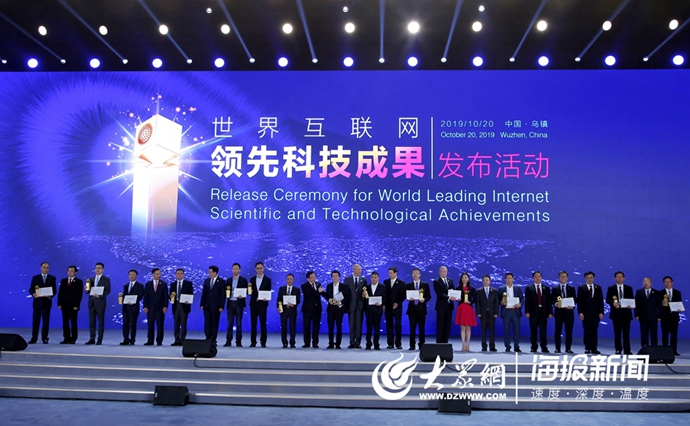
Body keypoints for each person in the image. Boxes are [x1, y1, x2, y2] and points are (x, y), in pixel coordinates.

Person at [29, 262, 57, 344]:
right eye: (44, 267)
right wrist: (33, 294)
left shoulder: (52, 278)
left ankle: (45, 338)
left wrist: (50, 296)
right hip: (37, 302)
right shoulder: (35, 277)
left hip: (47, 302)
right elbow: (31, 289)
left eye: (47, 267)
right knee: (36, 321)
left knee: (46, 321)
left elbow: (54, 290)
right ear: (41, 268)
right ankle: (34, 338)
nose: (46, 269)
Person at [606, 271, 634, 355]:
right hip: (616, 314)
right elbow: (607, 299)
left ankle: (627, 350)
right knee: (617, 333)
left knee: (626, 333)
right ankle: (618, 349)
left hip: (626, 314)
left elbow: (632, 299)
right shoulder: (611, 288)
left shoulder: (629, 288)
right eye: (617, 277)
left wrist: (630, 305)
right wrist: (613, 303)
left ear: (624, 278)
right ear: (615, 278)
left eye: (621, 276)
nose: (619, 278)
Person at [577, 271, 604, 354]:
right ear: (585, 278)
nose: (589, 279)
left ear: (593, 278)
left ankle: (594, 348)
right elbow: (579, 301)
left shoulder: (598, 288)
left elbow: (600, 301)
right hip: (586, 314)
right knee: (587, 331)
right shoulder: (581, 288)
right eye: (588, 278)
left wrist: (601, 312)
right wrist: (580, 312)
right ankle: (587, 348)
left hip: (596, 314)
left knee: (594, 331)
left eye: (591, 277)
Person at [525, 271, 552, 353]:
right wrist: (527, 311)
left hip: (543, 312)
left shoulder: (546, 288)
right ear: (533, 278)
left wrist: (550, 312)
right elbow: (527, 301)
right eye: (536, 277)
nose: (537, 278)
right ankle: (534, 347)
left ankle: (544, 347)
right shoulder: (529, 288)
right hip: (533, 312)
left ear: (541, 277)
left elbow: (549, 301)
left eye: (539, 276)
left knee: (543, 331)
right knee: (533, 330)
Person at [323, 270, 350, 349]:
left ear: (339, 277)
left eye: (336, 276)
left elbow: (347, 297)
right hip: (331, 308)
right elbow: (327, 296)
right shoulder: (329, 286)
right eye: (333, 276)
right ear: (331, 277)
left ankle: (338, 344)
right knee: (330, 327)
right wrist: (329, 300)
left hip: (339, 309)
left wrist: (340, 302)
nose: (335, 277)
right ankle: (331, 343)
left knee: (339, 326)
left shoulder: (343, 286)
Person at [405, 268, 431, 351]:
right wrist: (408, 298)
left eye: (417, 273)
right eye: (413, 273)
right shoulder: (408, 285)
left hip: (421, 309)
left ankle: (422, 345)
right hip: (412, 310)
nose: (415, 275)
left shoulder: (425, 285)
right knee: (412, 328)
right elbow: (405, 295)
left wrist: (424, 299)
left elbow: (429, 296)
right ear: (412, 275)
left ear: (420, 275)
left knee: (421, 328)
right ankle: (412, 345)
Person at [86, 262, 111, 345]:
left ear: (103, 269)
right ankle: (92, 338)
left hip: (100, 303)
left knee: (100, 322)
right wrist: (86, 289)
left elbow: (108, 290)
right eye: (96, 268)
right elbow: (88, 291)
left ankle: (99, 339)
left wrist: (100, 296)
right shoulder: (90, 279)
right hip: (91, 303)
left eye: (99, 268)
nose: (97, 269)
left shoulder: (106, 279)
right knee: (91, 322)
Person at [57, 265, 83, 344]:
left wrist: (77, 305)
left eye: (72, 271)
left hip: (73, 306)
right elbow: (60, 293)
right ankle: (66, 338)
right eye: (69, 271)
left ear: (75, 272)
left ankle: (74, 338)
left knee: (73, 322)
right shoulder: (63, 281)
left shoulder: (79, 282)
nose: (70, 272)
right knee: (65, 322)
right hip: (64, 305)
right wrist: (59, 303)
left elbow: (79, 295)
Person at [225, 263, 248, 347]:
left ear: (239, 270)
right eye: (234, 269)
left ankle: (238, 341)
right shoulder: (228, 280)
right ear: (232, 270)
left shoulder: (243, 280)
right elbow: (225, 292)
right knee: (229, 324)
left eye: (236, 269)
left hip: (239, 303)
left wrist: (243, 295)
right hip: (230, 303)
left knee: (239, 323)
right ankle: (228, 341)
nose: (235, 270)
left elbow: (247, 291)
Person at [552, 271, 575, 354]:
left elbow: (574, 299)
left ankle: (568, 348)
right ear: (558, 278)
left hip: (569, 313)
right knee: (558, 330)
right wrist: (555, 304)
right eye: (561, 276)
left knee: (569, 331)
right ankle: (557, 348)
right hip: (559, 313)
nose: (563, 278)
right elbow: (552, 299)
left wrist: (573, 306)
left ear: (567, 278)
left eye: (564, 276)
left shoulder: (571, 288)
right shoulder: (555, 289)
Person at [143, 268, 168, 346]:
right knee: (150, 325)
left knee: (160, 325)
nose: (159, 275)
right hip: (150, 308)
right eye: (157, 274)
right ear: (153, 275)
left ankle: (159, 341)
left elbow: (165, 296)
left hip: (160, 308)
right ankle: (150, 340)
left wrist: (165, 306)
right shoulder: (148, 284)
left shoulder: (163, 284)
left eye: (159, 274)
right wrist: (145, 306)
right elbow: (146, 296)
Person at [499, 272, 523, 353]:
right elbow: (498, 300)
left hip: (515, 311)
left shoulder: (517, 288)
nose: (509, 280)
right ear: (505, 279)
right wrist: (501, 302)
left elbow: (522, 299)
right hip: (506, 311)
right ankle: (507, 346)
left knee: (517, 330)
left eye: (510, 278)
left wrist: (520, 304)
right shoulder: (501, 288)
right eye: (507, 278)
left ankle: (516, 346)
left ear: (513, 279)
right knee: (506, 330)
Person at [200, 265, 225, 344]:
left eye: (210, 272)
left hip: (216, 306)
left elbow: (222, 295)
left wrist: (221, 306)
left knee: (214, 322)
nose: (209, 274)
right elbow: (204, 293)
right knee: (207, 322)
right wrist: (202, 304)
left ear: (215, 272)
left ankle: (213, 339)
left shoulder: (221, 281)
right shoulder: (207, 281)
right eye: (209, 272)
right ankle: (207, 337)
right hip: (206, 305)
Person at [249, 261, 272, 347]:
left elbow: (268, 291)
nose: (259, 270)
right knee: (253, 323)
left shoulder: (268, 280)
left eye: (261, 268)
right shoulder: (252, 279)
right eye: (258, 268)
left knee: (263, 323)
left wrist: (266, 298)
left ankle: (263, 342)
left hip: (263, 304)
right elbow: (250, 292)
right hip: (253, 304)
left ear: (264, 268)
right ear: (255, 269)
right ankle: (253, 342)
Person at [344, 263, 366, 349]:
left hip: (360, 306)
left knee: (359, 324)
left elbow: (365, 291)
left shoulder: (363, 280)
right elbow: (345, 293)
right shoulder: (347, 279)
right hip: (351, 305)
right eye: (358, 269)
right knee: (351, 324)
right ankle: (352, 342)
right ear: (354, 270)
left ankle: (358, 342)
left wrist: (364, 295)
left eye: (361, 269)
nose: (360, 271)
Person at [170, 268, 194, 346]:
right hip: (176, 305)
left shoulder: (188, 283)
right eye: (178, 273)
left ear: (183, 274)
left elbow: (191, 294)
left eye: (181, 273)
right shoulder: (173, 284)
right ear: (175, 275)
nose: (179, 275)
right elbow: (170, 295)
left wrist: (188, 301)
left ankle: (183, 340)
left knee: (183, 324)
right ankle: (177, 340)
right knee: (176, 324)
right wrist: (170, 297)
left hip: (184, 305)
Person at [475, 274, 498, 352]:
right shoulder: (479, 291)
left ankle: (492, 346)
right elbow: (477, 303)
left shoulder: (494, 291)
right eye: (484, 280)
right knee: (483, 331)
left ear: (490, 281)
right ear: (482, 282)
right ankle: (484, 346)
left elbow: (496, 303)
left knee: (492, 331)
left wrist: (496, 313)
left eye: (487, 280)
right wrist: (478, 312)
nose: (485, 282)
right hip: (483, 314)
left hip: (492, 314)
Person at [634, 277, 660, 349]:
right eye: (644, 282)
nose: (646, 283)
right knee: (644, 333)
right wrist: (636, 314)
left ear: (651, 283)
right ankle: (644, 348)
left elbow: (659, 305)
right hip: (643, 316)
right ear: (643, 283)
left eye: (648, 282)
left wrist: (659, 316)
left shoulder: (657, 293)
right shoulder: (639, 292)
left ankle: (654, 348)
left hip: (653, 316)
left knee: (653, 333)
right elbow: (636, 304)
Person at [659, 276, 682, 356]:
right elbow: (659, 306)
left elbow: (679, 303)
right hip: (664, 317)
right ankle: (665, 350)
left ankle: (674, 350)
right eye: (665, 282)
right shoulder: (660, 293)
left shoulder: (677, 292)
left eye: (669, 282)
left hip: (674, 317)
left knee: (674, 335)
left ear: (672, 283)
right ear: (663, 283)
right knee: (665, 334)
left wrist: (679, 308)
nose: (667, 283)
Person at [277, 273, 301, 348]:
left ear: (293, 280)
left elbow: (298, 300)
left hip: (292, 310)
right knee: (283, 327)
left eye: (291, 279)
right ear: (286, 280)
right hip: (283, 311)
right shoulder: (282, 288)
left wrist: (293, 304)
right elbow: (279, 299)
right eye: (288, 279)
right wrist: (279, 307)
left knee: (292, 327)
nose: (289, 280)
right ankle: (284, 342)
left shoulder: (297, 290)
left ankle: (292, 342)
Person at [433, 265, 456, 343]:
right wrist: (449, 297)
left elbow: (453, 291)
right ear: (439, 272)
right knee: (440, 324)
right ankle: (439, 342)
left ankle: (446, 342)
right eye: (442, 271)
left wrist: (456, 296)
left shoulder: (450, 281)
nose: (444, 273)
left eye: (445, 271)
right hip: (441, 307)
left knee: (447, 324)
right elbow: (439, 293)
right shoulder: (436, 281)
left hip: (449, 306)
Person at [120, 269, 144, 346]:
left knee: (133, 325)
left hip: (134, 308)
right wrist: (122, 299)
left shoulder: (140, 286)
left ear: (136, 276)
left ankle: (132, 340)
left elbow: (140, 296)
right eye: (130, 274)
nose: (131, 276)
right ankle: (125, 339)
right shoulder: (126, 286)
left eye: (133, 274)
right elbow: (124, 296)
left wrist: (133, 301)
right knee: (125, 325)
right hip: (126, 308)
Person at [384, 266, 405, 350]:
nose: (390, 275)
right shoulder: (386, 282)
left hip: (397, 308)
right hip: (388, 307)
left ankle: (398, 343)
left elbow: (403, 295)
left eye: (391, 273)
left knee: (398, 325)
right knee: (389, 325)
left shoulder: (401, 283)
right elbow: (384, 295)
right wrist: (384, 304)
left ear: (396, 273)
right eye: (389, 273)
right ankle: (390, 343)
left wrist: (397, 303)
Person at [301, 271, 323, 348]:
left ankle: (315, 343)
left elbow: (321, 293)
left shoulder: (318, 284)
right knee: (306, 326)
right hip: (307, 310)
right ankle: (307, 343)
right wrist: (318, 292)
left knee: (316, 327)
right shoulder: (304, 286)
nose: (314, 279)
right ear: (308, 278)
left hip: (317, 309)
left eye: (314, 277)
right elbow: (309, 294)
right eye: (312, 277)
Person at [364, 271, 386, 350]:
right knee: (369, 328)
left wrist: (381, 303)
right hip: (369, 310)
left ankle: (376, 344)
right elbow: (365, 299)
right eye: (372, 277)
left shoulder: (382, 287)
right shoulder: (366, 287)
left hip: (378, 310)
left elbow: (385, 298)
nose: (374, 279)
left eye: (375, 277)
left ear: (378, 278)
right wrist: (363, 295)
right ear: (370, 278)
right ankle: (368, 344)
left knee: (377, 328)